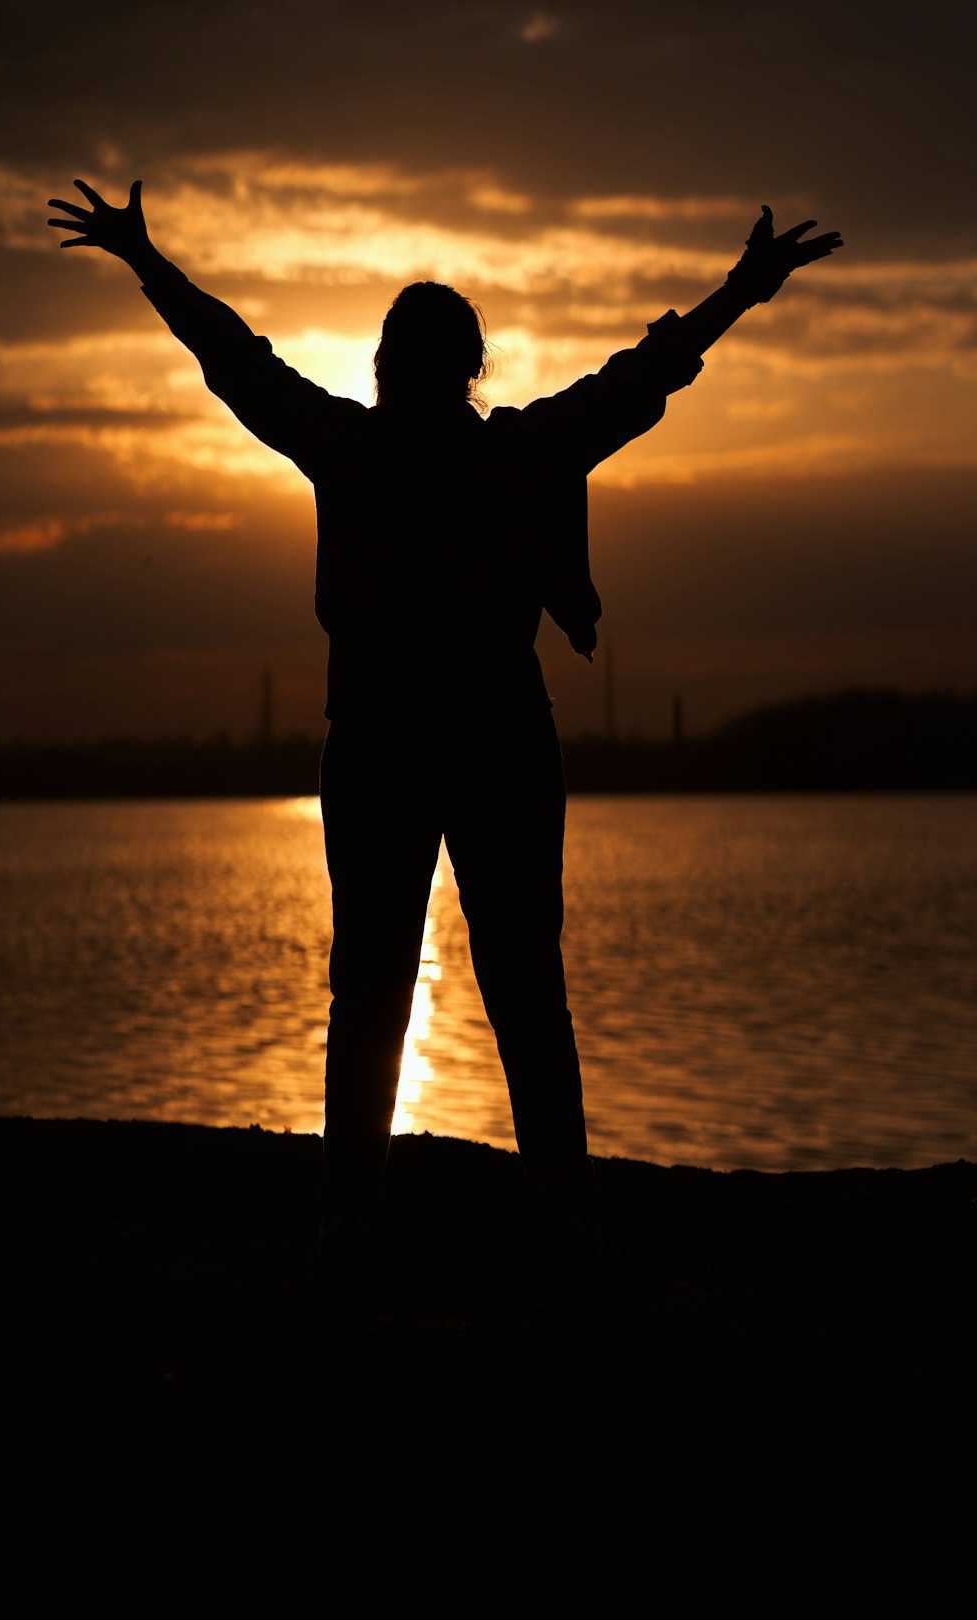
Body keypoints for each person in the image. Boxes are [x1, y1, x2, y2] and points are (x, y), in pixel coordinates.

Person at [47, 181, 842, 1244]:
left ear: (386, 364)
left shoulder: (353, 447)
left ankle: (358, 1199)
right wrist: (742, 291)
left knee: (372, 981)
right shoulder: (514, 454)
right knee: (521, 980)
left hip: (382, 734)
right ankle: (553, 1196)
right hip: (494, 732)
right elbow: (640, 381)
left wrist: (147, 262)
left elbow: (237, 360)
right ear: (472, 366)